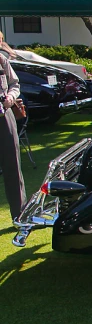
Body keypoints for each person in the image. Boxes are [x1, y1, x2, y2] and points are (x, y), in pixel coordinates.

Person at [0, 47, 26, 221]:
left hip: (4, 114)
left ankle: (20, 215)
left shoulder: (1, 60)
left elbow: (14, 83)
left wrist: (10, 97)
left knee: (13, 166)